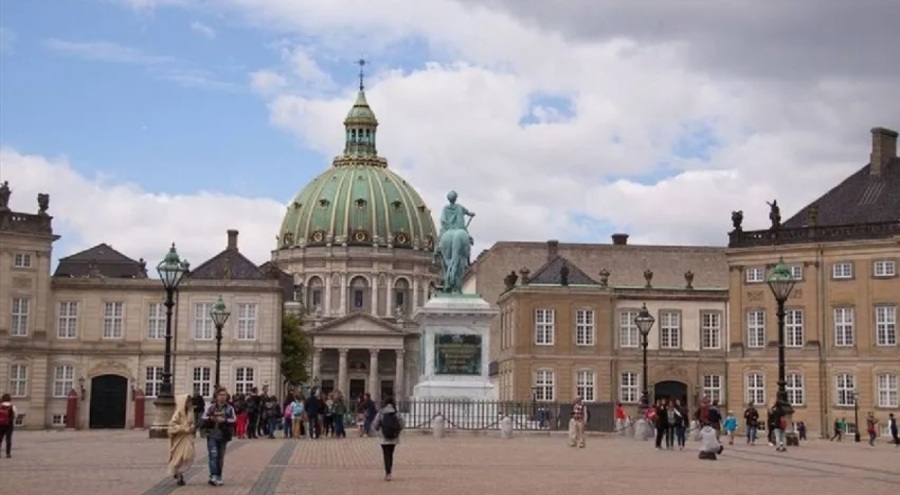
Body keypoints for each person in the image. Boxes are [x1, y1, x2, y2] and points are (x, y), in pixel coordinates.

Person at [201, 387, 236, 486]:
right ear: (216, 396)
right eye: (220, 395)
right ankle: (213, 476)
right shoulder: (210, 407)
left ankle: (219, 475)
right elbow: (203, 417)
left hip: (223, 435)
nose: (222, 397)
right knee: (213, 455)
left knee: (220, 456)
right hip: (212, 433)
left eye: (224, 395)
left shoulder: (230, 408)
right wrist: (211, 418)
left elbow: (234, 419)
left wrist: (224, 420)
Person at [372, 396, 404, 481]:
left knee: (386, 454)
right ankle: (389, 472)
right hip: (393, 436)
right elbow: (402, 424)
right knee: (391, 454)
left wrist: (379, 429)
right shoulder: (396, 413)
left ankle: (387, 472)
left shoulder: (381, 412)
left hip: (384, 436)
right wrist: (397, 431)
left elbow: (375, 424)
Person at [167, 394, 196, 486]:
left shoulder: (191, 412)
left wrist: (192, 427)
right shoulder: (177, 414)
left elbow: (192, 423)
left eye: (189, 402)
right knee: (178, 458)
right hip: (179, 438)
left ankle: (179, 472)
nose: (189, 403)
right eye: (187, 402)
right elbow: (171, 426)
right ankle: (179, 474)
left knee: (188, 456)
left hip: (187, 438)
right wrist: (183, 428)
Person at [0, 393, 17, 458]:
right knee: (8, 439)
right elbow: (15, 415)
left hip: (0, 424)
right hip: (9, 424)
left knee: (0, 439)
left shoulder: (0, 405)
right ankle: (8, 453)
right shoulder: (12, 406)